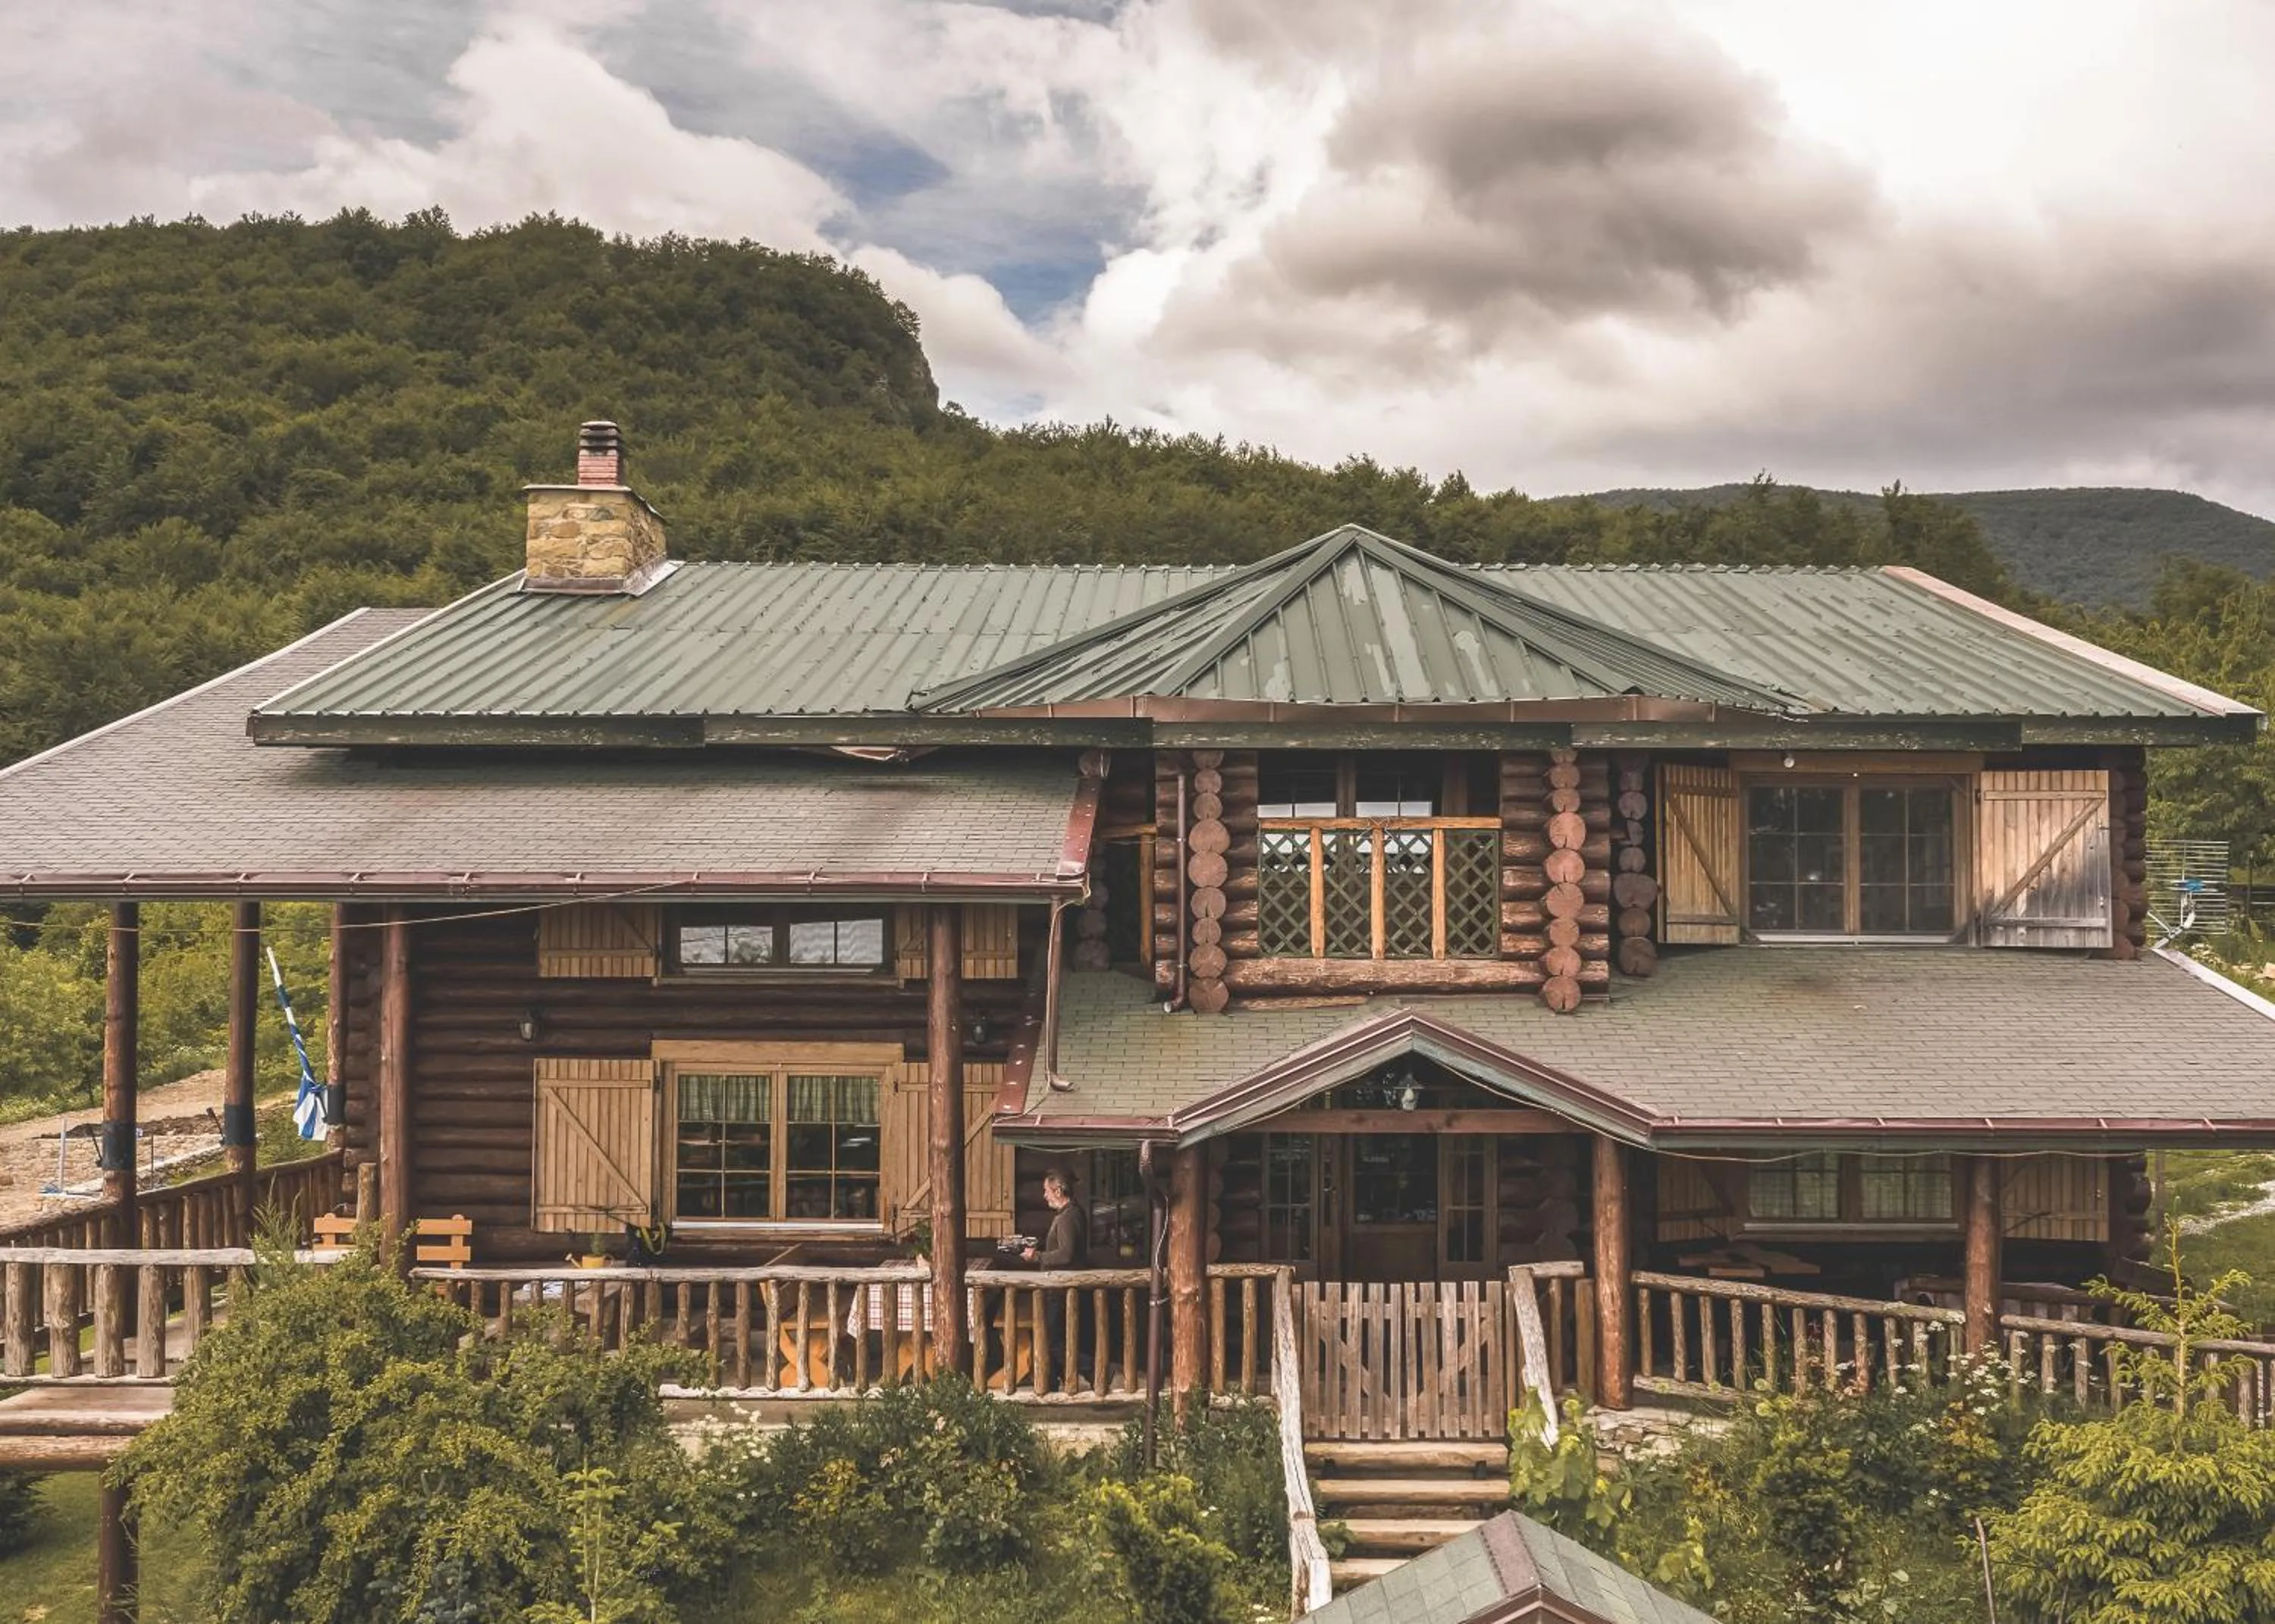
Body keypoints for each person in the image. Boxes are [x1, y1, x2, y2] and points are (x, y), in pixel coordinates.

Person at [1021, 1168, 1088, 1390]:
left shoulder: (1068, 1218)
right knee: (1056, 1338)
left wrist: (1037, 1256)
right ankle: (1055, 1381)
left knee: (1054, 1340)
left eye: (1047, 1191)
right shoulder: (1071, 1213)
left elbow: (1066, 1253)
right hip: (1064, 1286)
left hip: (1060, 1288)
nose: (1044, 1196)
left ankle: (1097, 1371)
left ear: (1058, 1191)